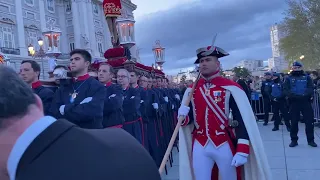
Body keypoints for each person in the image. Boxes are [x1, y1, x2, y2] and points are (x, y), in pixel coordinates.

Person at [0, 66, 161, 180]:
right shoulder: (126, 145)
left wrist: (75, 107)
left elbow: (119, 106)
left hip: (130, 124)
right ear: (37, 103)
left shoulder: (116, 90)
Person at [178, 45, 271, 180]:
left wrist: (242, 149)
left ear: (218, 64)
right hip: (200, 143)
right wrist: (182, 115)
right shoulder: (192, 89)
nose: (203, 63)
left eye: (208, 60)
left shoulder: (231, 88)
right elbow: (188, 120)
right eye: (201, 61)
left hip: (223, 142)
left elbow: (242, 118)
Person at [49, 49, 106, 129]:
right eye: (71, 60)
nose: (72, 62)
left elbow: (91, 112)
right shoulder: (64, 86)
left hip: (89, 134)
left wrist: (65, 108)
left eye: (77, 59)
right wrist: (79, 107)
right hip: (67, 133)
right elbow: (54, 112)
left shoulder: (97, 86)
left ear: (87, 63)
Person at [283, 61, 317, 147]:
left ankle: (311, 140)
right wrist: (294, 96)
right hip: (294, 102)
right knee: (294, 122)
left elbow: (310, 87)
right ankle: (294, 140)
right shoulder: (288, 78)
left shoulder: (307, 77)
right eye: (294, 68)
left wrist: (304, 95)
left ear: (301, 68)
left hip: (305, 101)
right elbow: (286, 89)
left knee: (309, 122)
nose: (296, 69)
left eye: (298, 67)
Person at [117, 69, 143, 145]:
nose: (120, 78)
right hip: (118, 127)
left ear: (128, 79)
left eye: (123, 76)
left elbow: (133, 106)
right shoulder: (113, 90)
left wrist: (118, 106)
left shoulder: (134, 91)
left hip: (131, 126)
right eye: (118, 76)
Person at [98, 63, 125, 128]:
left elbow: (115, 104)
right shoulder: (93, 88)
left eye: (104, 71)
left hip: (113, 126)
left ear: (111, 75)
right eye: (99, 71)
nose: (100, 73)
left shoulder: (116, 88)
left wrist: (96, 104)